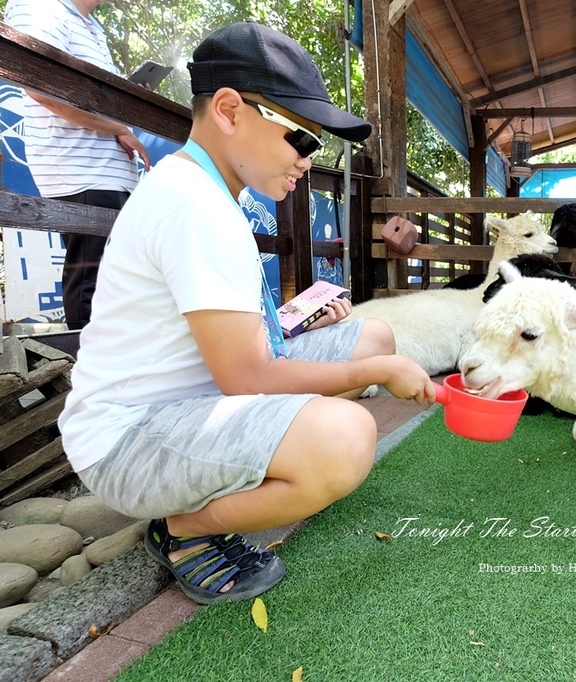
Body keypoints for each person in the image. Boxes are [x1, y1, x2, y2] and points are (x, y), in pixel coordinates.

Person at [57, 21, 436, 605]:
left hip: (192, 400)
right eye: (302, 140)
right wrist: (377, 377)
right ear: (231, 110)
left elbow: (221, 342)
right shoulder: (194, 207)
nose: (308, 161)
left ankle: (260, 471)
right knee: (347, 437)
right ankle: (183, 530)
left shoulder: (204, 193)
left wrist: (290, 320)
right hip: (130, 440)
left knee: (373, 335)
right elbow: (250, 377)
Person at [3, 0, 151, 329]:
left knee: (119, 286)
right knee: (90, 285)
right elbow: (43, 88)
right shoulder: (40, 6)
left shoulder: (92, 27)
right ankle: (87, 376)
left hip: (113, 175)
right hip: (81, 173)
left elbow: (92, 97)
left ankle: (116, 371)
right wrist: (119, 128)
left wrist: (126, 96)